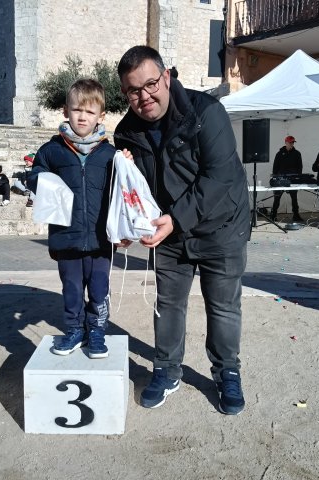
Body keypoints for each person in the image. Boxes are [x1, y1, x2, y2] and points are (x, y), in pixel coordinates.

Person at [114, 46, 250, 415]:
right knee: (168, 304)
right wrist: (127, 224)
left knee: (222, 305)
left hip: (222, 225)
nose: (144, 96)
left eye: (150, 84)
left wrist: (176, 218)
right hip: (170, 232)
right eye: (133, 90)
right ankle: (167, 369)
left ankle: (227, 372)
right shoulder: (125, 132)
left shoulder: (206, 112)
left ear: (167, 77)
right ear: (125, 93)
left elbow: (220, 176)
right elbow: (133, 190)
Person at [27, 79, 128, 359]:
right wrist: (39, 179)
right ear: (65, 111)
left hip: (101, 239)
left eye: (90, 112)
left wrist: (127, 164)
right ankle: (74, 330)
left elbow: (122, 190)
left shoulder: (110, 154)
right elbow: (34, 176)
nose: (82, 117)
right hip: (66, 238)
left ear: (101, 116)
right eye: (76, 110)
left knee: (99, 289)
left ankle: (96, 331)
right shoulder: (51, 150)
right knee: (71, 289)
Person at [270, 135, 304, 222]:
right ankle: (273, 215)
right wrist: (275, 177)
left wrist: (298, 177)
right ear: (286, 142)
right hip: (281, 179)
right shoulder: (279, 154)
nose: (292, 144)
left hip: (292, 179)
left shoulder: (297, 153)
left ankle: (296, 215)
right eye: (290, 142)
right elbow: (275, 167)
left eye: (293, 142)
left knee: (294, 198)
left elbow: (300, 167)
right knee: (277, 197)